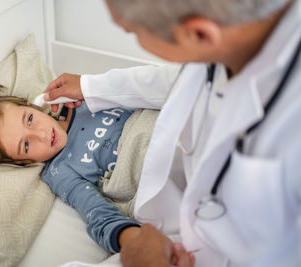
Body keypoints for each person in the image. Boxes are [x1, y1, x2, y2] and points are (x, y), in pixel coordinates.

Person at [44, 0, 301, 266]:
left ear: (199, 33)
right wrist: (91, 86)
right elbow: (174, 79)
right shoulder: (226, 47)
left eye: (132, 31)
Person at [0, 84, 194, 265]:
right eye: (26, 146)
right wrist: (132, 240)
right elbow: (97, 214)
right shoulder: (59, 172)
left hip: (173, 128)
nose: (40, 135)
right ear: (23, 162)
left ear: (31, 106)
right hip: (153, 172)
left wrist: (90, 88)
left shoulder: (80, 101)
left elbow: (140, 92)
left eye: (29, 119)